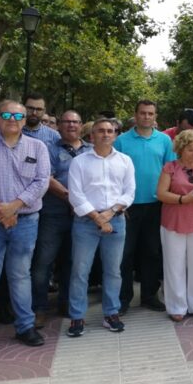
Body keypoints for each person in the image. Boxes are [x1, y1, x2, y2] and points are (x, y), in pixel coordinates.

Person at [66, 118, 135, 336]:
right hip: (86, 222)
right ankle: (77, 317)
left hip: (116, 220)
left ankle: (111, 313)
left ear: (115, 135)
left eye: (110, 131)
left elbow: (129, 192)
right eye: (101, 131)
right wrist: (97, 217)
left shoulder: (125, 161)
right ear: (91, 135)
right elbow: (75, 194)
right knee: (80, 271)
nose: (106, 134)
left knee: (113, 271)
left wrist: (110, 213)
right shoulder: (79, 162)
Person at [0, 100, 50, 346]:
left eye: (18, 116)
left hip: (25, 221)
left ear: (25, 120)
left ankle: (25, 327)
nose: (12, 119)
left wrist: (13, 206)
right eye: (6, 114)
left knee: (20, 275)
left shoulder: (38, 147)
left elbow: (42, 181)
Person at [114, 99, 175, 313]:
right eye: (143, 113)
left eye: (150, 113)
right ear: (135, 114)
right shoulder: (121, 141)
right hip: (127, 207)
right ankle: (123, 299)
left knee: (152, 252)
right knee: (125, 254)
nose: (147, 117)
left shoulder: (165, 141)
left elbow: (171, 170)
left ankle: (149, 295)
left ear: (155, 116)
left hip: (156, 205)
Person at [31, 110, 91, 327]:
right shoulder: (48, 149)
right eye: (66, 122)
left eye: (75, 121)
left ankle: (66, 303)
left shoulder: (91, 150)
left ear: (82, 125)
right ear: (59, 126)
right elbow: (47, 179)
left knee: (72, 262)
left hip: (82, 218)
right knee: (43, 263)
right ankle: (39, 308)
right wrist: (74, 200)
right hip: (53, 215)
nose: (71, 125)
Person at [156, 129, 193, 321]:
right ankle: (176, 306)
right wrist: (184, 199)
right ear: (181, 149)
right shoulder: (170, 167)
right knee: (174, 265)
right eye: (190, 150)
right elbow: (161, 194)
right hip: (173, 222)